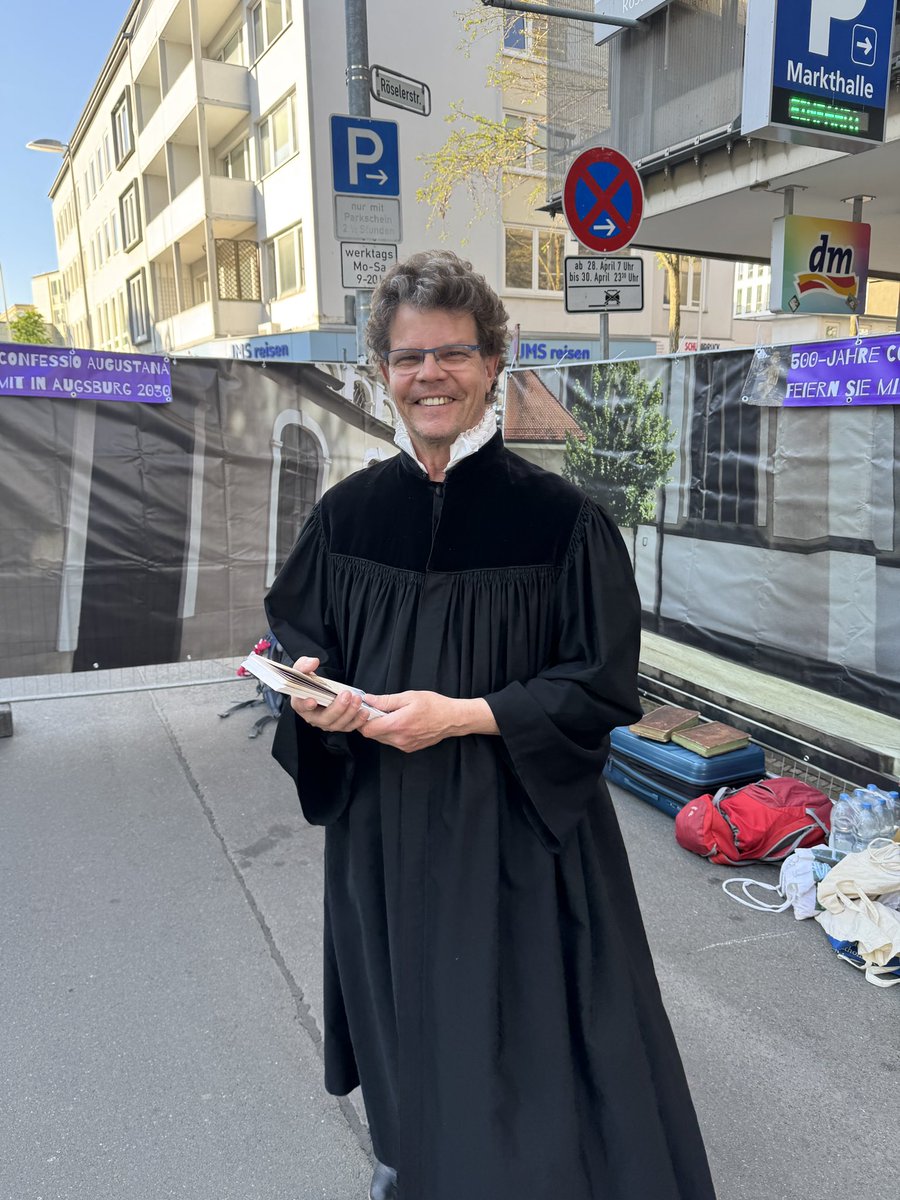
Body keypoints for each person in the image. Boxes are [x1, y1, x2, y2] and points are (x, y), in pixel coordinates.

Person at [266, 250, 716, 1200]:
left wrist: (465, 716)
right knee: (407, 1015)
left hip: (517, 832)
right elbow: (300, 645)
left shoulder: (558, 523)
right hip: (382, 831)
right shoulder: (344, 519)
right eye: (406, 357)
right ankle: (416, 1167)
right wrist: (312, 696)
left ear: (492, 365)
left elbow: (599, 686)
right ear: (380, 373)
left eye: (452, 354)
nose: (429, 375)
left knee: (531, 1036)